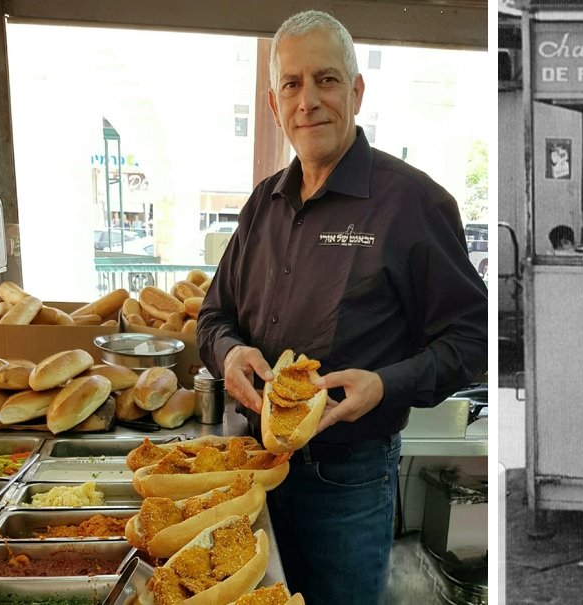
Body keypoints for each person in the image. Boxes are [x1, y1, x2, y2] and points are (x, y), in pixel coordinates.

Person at [196, 11, 487, 605]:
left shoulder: (413, 202)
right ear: (275, 104)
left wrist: (383, 385)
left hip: (348, 481)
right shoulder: (261, 205)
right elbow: (211, 318)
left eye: (326, 80)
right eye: (292, 85)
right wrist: (229, 355)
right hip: (251, 467)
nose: (309, 101)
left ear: (355, 91)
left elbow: (474, 341)